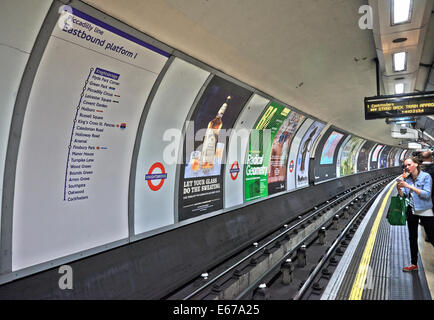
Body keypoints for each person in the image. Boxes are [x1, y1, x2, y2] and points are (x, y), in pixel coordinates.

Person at [397, 156, 434, 272]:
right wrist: (399, 189)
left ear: (416, 164)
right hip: (412, 210)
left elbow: (426, 194)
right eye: (405, 166)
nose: (407, 167)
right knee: (412, 238)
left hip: (425, 210)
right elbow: (405, 196)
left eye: (409, 165)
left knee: (432, 237)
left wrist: (409, 186)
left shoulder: (426, 177)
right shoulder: (407, 179)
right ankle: (414, 263)